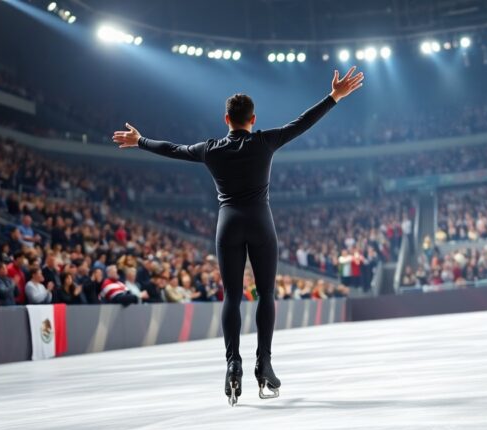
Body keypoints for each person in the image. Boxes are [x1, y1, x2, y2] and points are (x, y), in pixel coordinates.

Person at [112, 66, 364, 405]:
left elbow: (173, 149)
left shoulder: (211, 149)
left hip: (228, 224)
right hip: (261, 223)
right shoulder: (265, 141)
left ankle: (233, 364)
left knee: (232, 296)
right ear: (253, 119)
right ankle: (264, 364)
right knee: (266, 294)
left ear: (226, 119)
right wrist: (334, 96)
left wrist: (140, 140)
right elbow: (303, 122)